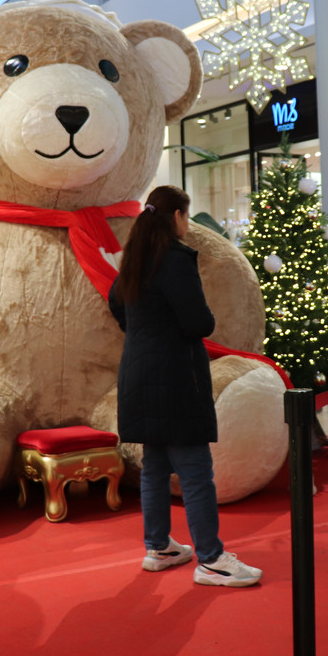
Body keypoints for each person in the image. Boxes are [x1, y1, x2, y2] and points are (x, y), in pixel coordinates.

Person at [108, 185, 262, 588]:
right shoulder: (174, 259)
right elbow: (198, 323)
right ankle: (211, 559)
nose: (188, 226)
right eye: (187, 217)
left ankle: (159, 547)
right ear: (176, 216)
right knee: (195, 471)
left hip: (138, 375)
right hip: (175, 377)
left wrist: (144, 332)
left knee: (155, 468)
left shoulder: (135, 259)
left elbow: (116, 304)